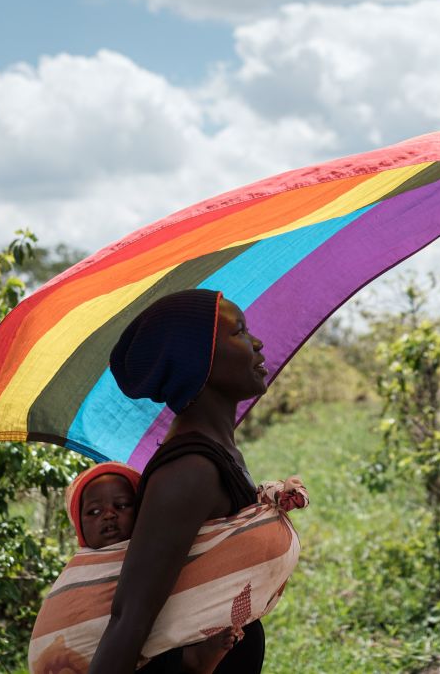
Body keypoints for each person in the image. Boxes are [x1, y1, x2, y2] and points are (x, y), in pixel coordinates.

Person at [89, 288, 281, 673]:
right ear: (198, 362)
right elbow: (129, 618)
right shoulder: (189, 470)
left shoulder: (218, 454)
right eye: (239, 332)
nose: (257, 343)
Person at [64, 462, 237, 673]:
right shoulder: (77, 573)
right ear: (80, 527)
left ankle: (193, 660)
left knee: (144, 623)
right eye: (94, 511)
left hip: (162, 640)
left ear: (144, 513)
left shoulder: (152, 552)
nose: (108, 515)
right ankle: (192, 661)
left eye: (121, 505)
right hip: (96, 654)